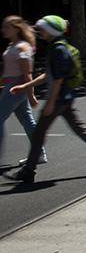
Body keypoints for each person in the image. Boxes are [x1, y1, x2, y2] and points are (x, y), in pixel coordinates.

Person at [7, 16, 86, 184]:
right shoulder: (58, 46)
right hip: (65, 98)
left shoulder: (58, 49)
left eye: (42, 29)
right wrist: (26, 86)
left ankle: (28, 170)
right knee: (80, 129)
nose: (40, 32)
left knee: (38, 134)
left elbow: (57, 79)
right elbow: (49, 75)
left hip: (58, 98)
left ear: (51, 30)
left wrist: (50, 102)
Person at [0, 16, 45, 165]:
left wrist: (31, 95)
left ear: (16, 29)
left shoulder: (22, 47)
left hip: (16, 88)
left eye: (7, 27)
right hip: (12, 87)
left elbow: (27, 74)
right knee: (27, 121)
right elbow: (9, 72)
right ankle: (39, 154)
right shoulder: (13, 45)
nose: (3, 29)